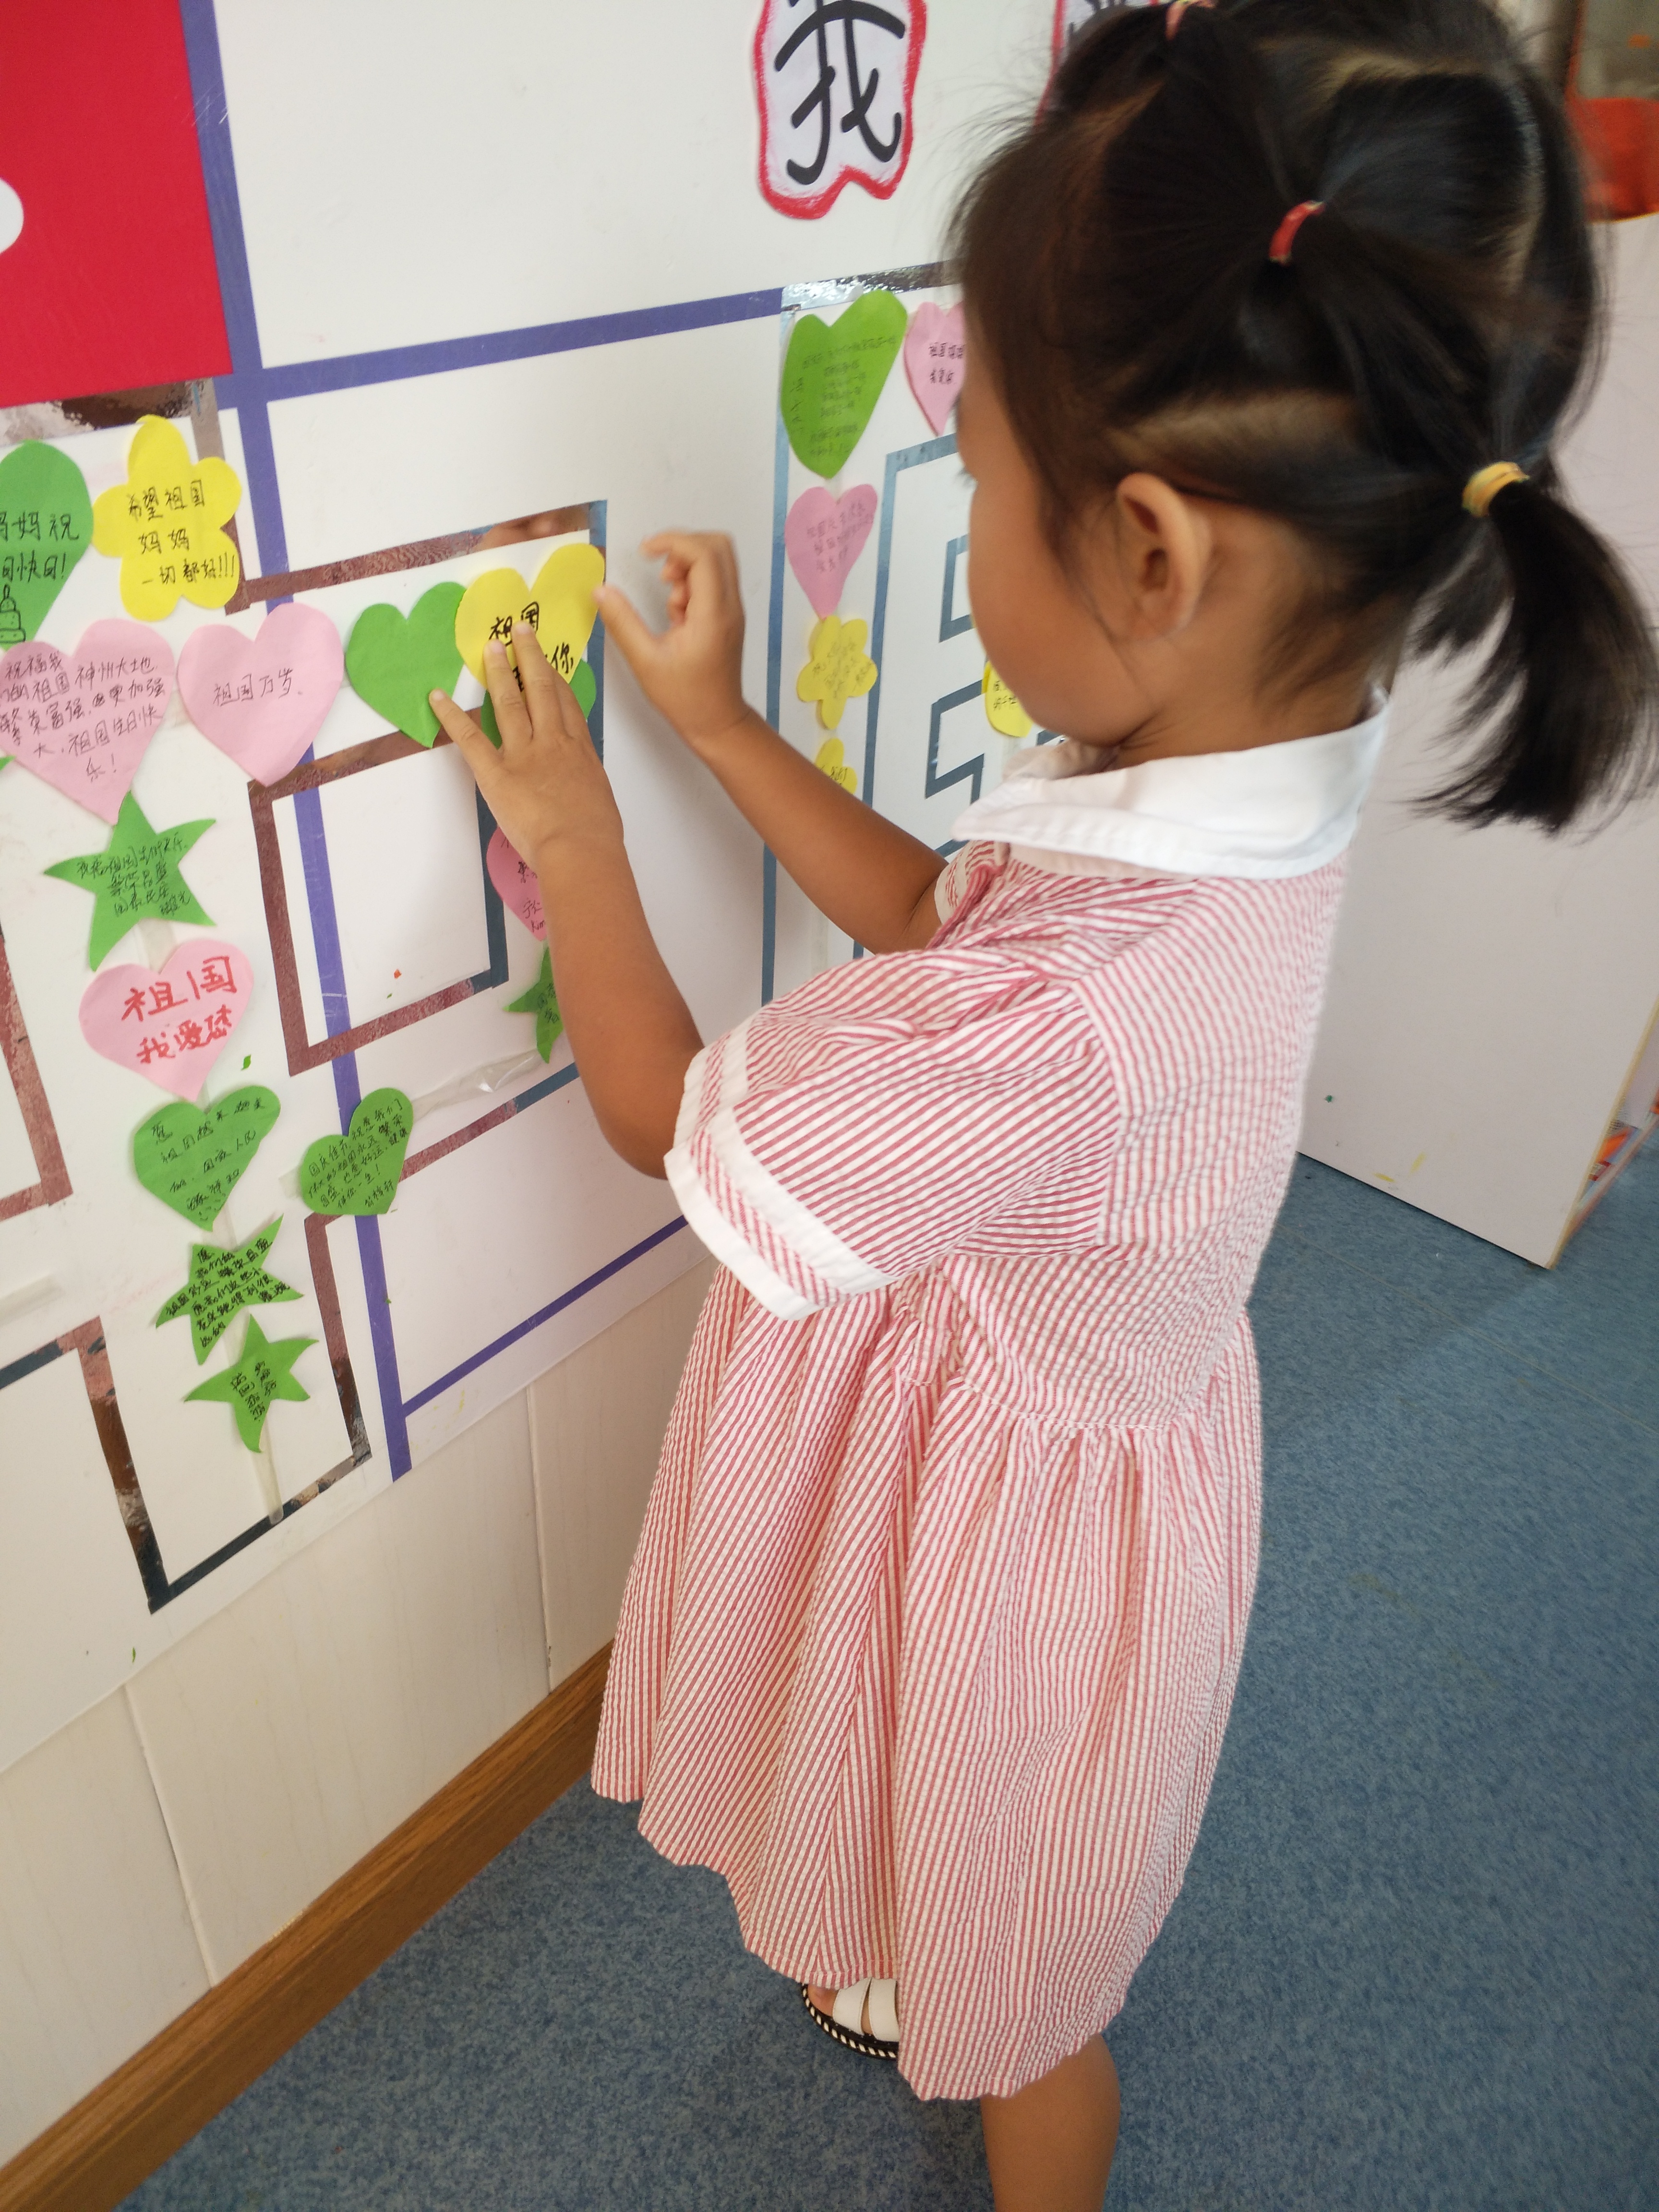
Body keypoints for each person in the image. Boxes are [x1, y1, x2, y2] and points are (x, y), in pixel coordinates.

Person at [430, 1, 1656, 2201]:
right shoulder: (1269, 746)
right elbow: (943, 909)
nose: (970, 505)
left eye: (980, 472)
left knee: (1025, 1997)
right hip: (1066, 1453)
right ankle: (923, 1958)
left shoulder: (1070, 1018)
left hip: (1011, 1551)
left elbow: (671, 1116)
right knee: (942, 1844)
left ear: (1156, 555)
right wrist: (723, 728)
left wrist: (580, 841)